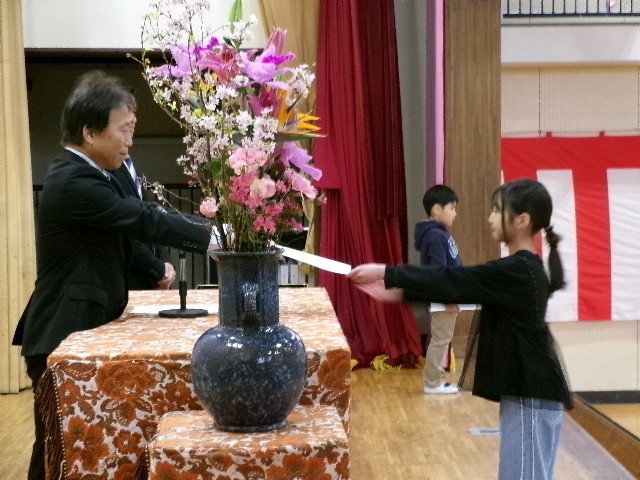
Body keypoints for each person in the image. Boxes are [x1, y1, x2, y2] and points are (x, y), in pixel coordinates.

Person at [12, 70, 213, 480]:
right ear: (90, 132)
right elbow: (143, 219)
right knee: (56, 448)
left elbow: (136, 227)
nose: (130, 141)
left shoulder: (96, 173)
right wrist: (216, 238)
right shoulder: (73, 180)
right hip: (61, 334)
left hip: (80, 331)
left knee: (80, 446)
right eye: (124, 129)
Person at [348, 178, 572, 480]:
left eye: (497, 211)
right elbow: (458, 286)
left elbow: (456, 280)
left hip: (531, 396)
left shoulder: (519, 270)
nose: (490, 218)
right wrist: (400, 292)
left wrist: (387, 272)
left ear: (522, 220)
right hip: (528, 394)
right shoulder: (519, 269)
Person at [415, 184, 462, 394]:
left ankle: (436, 379)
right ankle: (432, 383)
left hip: (446, 296)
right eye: (452, 208)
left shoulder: (439, 234)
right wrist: (447, 298)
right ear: (436, 209)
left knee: (442, 338)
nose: (455, 213)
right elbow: (438, 271)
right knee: (441, 339)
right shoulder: (435, 236)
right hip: (443, 298)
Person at [109, 156, 176, 289]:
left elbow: (149, 221)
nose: (129, 145)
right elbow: (126, 231)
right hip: (125, 277)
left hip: (147, 277)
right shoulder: (107, 169)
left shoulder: (131, 167)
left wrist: (166, 262)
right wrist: (158, 270)